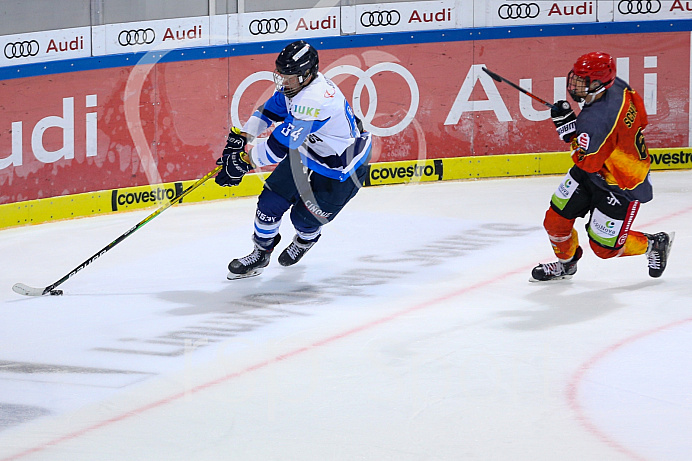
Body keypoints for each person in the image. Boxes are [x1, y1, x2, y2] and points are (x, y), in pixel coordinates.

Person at [214, 40, 372, 279]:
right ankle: (260, 253)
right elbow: (267, 112)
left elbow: (278, 147)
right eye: (282, 75)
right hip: (308, 151)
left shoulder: (313, 101)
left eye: (291, 77)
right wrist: (240, 138)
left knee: (303, 218)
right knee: (269, 204)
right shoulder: (295, 87)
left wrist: (243, 162)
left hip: (342, 166)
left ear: (308, 75)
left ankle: (306, 239)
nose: (284, 82)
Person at [530, 51, 674, 282]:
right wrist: (599, 138)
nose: (575, 84)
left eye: (582, 80)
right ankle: (566, 265)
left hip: (620, 184)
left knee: (605, 249)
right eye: (575, 77)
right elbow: (642, 120)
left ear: (598, 82)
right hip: (596, 168)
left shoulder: (596, 120)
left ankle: (654, 244)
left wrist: (569, 132)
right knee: (555, 222)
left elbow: (587, 161)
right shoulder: (618, 86)